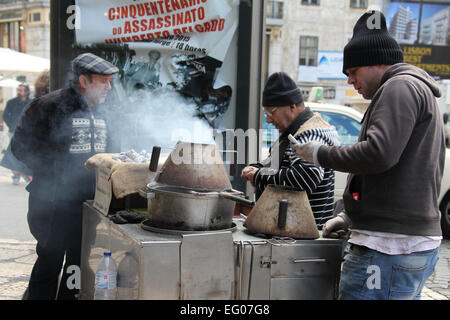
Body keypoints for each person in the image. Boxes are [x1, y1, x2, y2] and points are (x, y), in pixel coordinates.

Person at [291, 10, 443, 300]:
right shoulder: (409, 88)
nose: (350, 81)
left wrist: (320, 153)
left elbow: (378, 154)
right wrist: (351, 215)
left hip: (388, 248)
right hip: (397, 245)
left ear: (375, 63)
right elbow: (394, 173)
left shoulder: (398, 87)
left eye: (352, 72)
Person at [11, 53, 120, 300]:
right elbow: (20, 146)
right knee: (49, 260)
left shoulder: (107, 112)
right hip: (52, 202)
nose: (108, 87)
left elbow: (114, 151)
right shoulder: (48, 106)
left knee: (78, 261)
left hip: (91, 204)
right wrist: (55, 173)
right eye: (103, 81)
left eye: (109, 81)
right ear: (84, 80)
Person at [241, 72, 339, 229]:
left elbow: (306, 178)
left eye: (271, 112)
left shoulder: (309, 134)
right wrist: (257, 168)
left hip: (305, 237)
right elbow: (274, 166)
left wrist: (259, 175)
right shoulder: (292, 133)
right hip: (290, 234)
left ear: (291, 106)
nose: (268, 119)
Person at [1, 83, 32, 184]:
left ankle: (24, 173)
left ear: (27, 92)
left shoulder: (31, 102)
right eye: (18, 90)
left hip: (26, 133)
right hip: (13, 131)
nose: (19, 92)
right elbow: (5, 115)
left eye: (22, 90)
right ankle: (15, 175)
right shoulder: (12, 102)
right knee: (12, 154)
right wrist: (11, 124)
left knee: (25, 154)